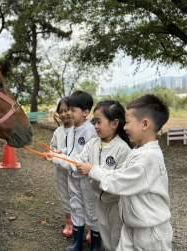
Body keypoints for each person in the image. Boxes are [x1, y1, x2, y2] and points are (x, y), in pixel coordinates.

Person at [78, 94, 173, 251]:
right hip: (132, 225)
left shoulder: (148, 157)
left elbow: (119, 182)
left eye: (128, 122)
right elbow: (118, 174)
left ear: (145, 124)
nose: (125, 127)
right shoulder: (138, 151)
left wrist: (94, 170)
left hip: (150, 231)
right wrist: (97, 173)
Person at [45, 100, 132, 251]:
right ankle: (90, 246)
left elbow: (121, 179)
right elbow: (78, 160)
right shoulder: (93, 144)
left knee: (114, 233)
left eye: (98, 122)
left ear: (114, 123)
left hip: (113, 203)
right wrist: (56, 158)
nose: (95, 126)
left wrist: (92, 171)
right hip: (97, 196)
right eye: (95, 121)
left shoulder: (122, 149)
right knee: (96, 222)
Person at [50, 91, 99, 251]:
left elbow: (83, 157)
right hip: (72, 176)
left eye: (72, 110)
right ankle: (77, 243)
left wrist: (57, 159)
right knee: (76, 206)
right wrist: (61, 152)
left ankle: (95, 244)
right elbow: (72, 149)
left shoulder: (90, 131)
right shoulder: (72, 130)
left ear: (85, 112)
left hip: (85, 179)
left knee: (91, 208)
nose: (69, 113)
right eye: (67, 109)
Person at [50, 97, 74, 238]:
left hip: (78, 171)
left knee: (83, 197)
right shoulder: (58, 132)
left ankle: (91, 227)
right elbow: (53, 147)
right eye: (61, 111)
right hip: (61, 170)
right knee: (65, 195)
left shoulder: (79, 130)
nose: (64, 114)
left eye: (67, 110)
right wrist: (51, 153)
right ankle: (69, 223)